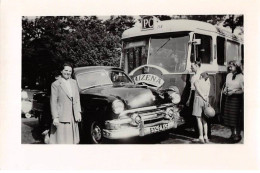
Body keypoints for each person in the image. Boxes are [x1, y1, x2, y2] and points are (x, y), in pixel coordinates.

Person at [49, 62, 82, 144]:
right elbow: (53, 102)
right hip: (61, 117)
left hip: (72, 116)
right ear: (61, 71)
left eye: (70, 71)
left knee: (72, 141)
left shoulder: (74, 82)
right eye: (66, 70)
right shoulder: (55, 84)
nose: (68, 73)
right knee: (61, 141)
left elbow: (77, 99)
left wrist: (78, 112)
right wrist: (55, 117)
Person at [222, 60, 244, 143]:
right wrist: (225, 91)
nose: (229, 67)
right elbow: (226, 86)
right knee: (229, 118)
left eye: (232, 66)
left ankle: (237, 134)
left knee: (236, 118)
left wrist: (233, 92)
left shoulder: (241, 76)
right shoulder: (228, 75)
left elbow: (244, 90)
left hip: (236, 99)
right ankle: (232, 134)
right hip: (228, 98)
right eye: (229, 66)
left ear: (237, 67)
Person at [193, 72, 211, 143]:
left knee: (198, 119)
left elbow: (198, 90)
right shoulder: (208, 83)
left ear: (201, 76)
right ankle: (206, 136)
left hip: (198, 99)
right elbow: (208, 93)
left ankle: (201, 137)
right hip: (206, 100)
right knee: (205, 119)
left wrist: (202, 96)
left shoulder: (197, 82)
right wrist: (205, 98)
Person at [186, 61, 202, 138]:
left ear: (196, 65)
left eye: (192, 66)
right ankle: (197, 134)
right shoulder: (193, 76)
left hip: (198, 95)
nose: (191, 68)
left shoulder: (202, 75)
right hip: (193, 94)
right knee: (194, 114)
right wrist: (189, 99)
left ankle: (204, 134)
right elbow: (191, 89)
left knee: (200, 115)